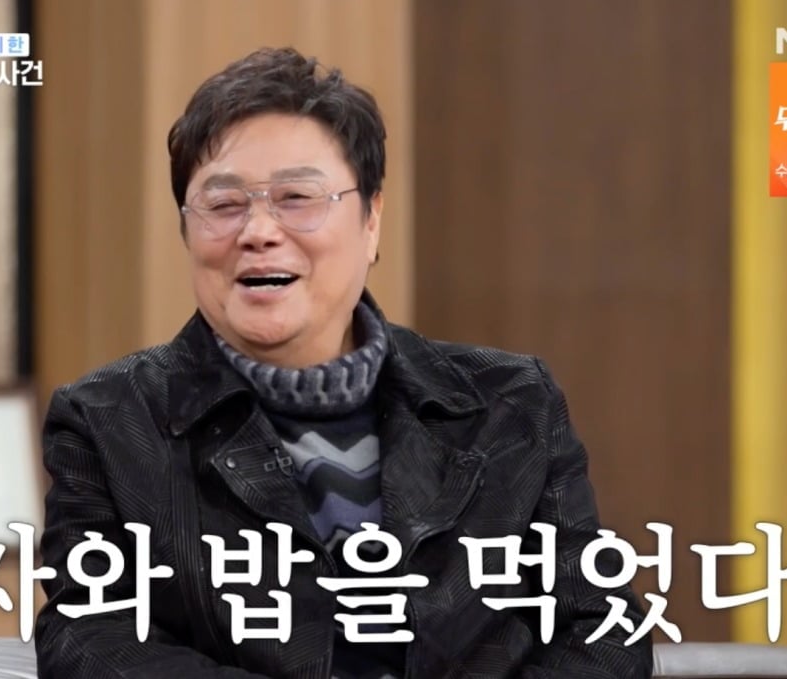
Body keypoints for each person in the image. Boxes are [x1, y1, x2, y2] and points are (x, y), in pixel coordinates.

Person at [35, 46, 653, 679]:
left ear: (371, 221)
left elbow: (602, 628)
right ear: (186, 232)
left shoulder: (512, 402)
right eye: (223, 205)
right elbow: (90, 638)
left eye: (297, 197)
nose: (258, 231)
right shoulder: (108, 421)